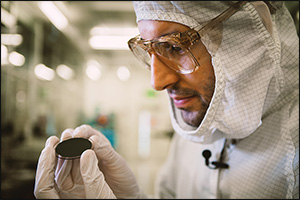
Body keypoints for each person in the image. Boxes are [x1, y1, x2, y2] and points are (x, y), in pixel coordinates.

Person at [34, 1, 299, 199]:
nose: (157, 82)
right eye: (149, 51)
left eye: (175, 47)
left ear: (249, 36)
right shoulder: (191, 135)